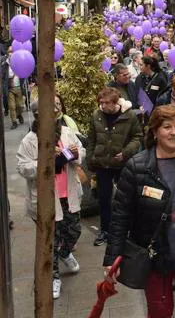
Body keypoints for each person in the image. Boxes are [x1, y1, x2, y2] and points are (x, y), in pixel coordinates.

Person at [103, 105, 175, 318]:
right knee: (159, 312)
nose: (174, 132)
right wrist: (112, 257)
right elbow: (120, 216)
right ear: (155, 131)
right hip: (156, 258)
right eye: (167, 127)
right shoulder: (136, 167)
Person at [17, 101, 85, 299]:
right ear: (38, 115)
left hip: (68, 193)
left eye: (56, 109)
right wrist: (47, 160)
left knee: (74, 231)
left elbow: (81, 150)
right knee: (51, 240)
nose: (55, 112)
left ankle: (65, 253)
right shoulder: (29, 140)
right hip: (47, 197)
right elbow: (23, 167)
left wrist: (74, 154)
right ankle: (53, 278)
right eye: (50, 110)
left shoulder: (66, 132)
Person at [87, 87, 143, 246]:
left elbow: (138, 136)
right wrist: (91, 158)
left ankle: (126, 231)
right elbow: (92, 138)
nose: (103, 106)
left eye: (106, 103)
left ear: (116, 102)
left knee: (124, 199)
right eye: (101, 102)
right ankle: (104, 230)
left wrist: (126, 153)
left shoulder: (129, 116)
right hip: (102, 163)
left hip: (122, 164)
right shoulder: (96, 116)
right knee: (104, 199)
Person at [7, 49, 24, 129]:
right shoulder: (5, 65)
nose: (11, 57)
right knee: (12, 106)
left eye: (12, 55)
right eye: (10, 56)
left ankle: (19, 115)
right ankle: (14, 122)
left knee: (20, 106)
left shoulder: (19, 64)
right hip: (10, 88)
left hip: (18, 87)